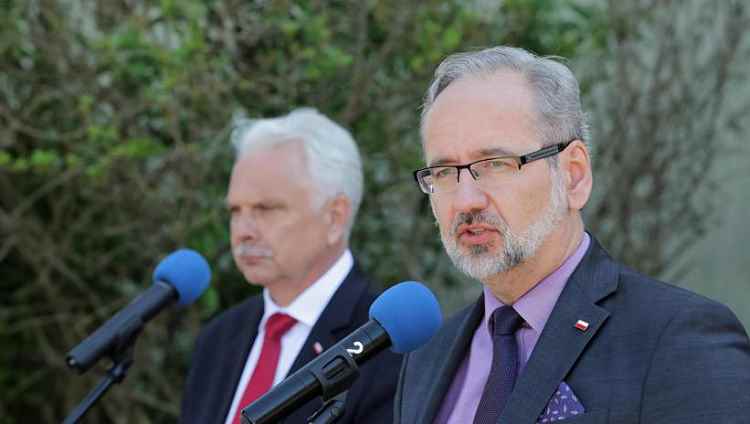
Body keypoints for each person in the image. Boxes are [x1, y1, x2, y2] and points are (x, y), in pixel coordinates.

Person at [395, 46, 750, 424]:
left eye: (496, 164)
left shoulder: (677, 339)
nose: (466, 200)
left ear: (573, 175)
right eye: (444, 173)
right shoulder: (426, 359)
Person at [181, 108, 401, 424]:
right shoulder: (217, 339)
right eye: (235, 211)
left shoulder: (389, 345)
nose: (243, 230)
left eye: (266, 209)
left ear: (335, 217)